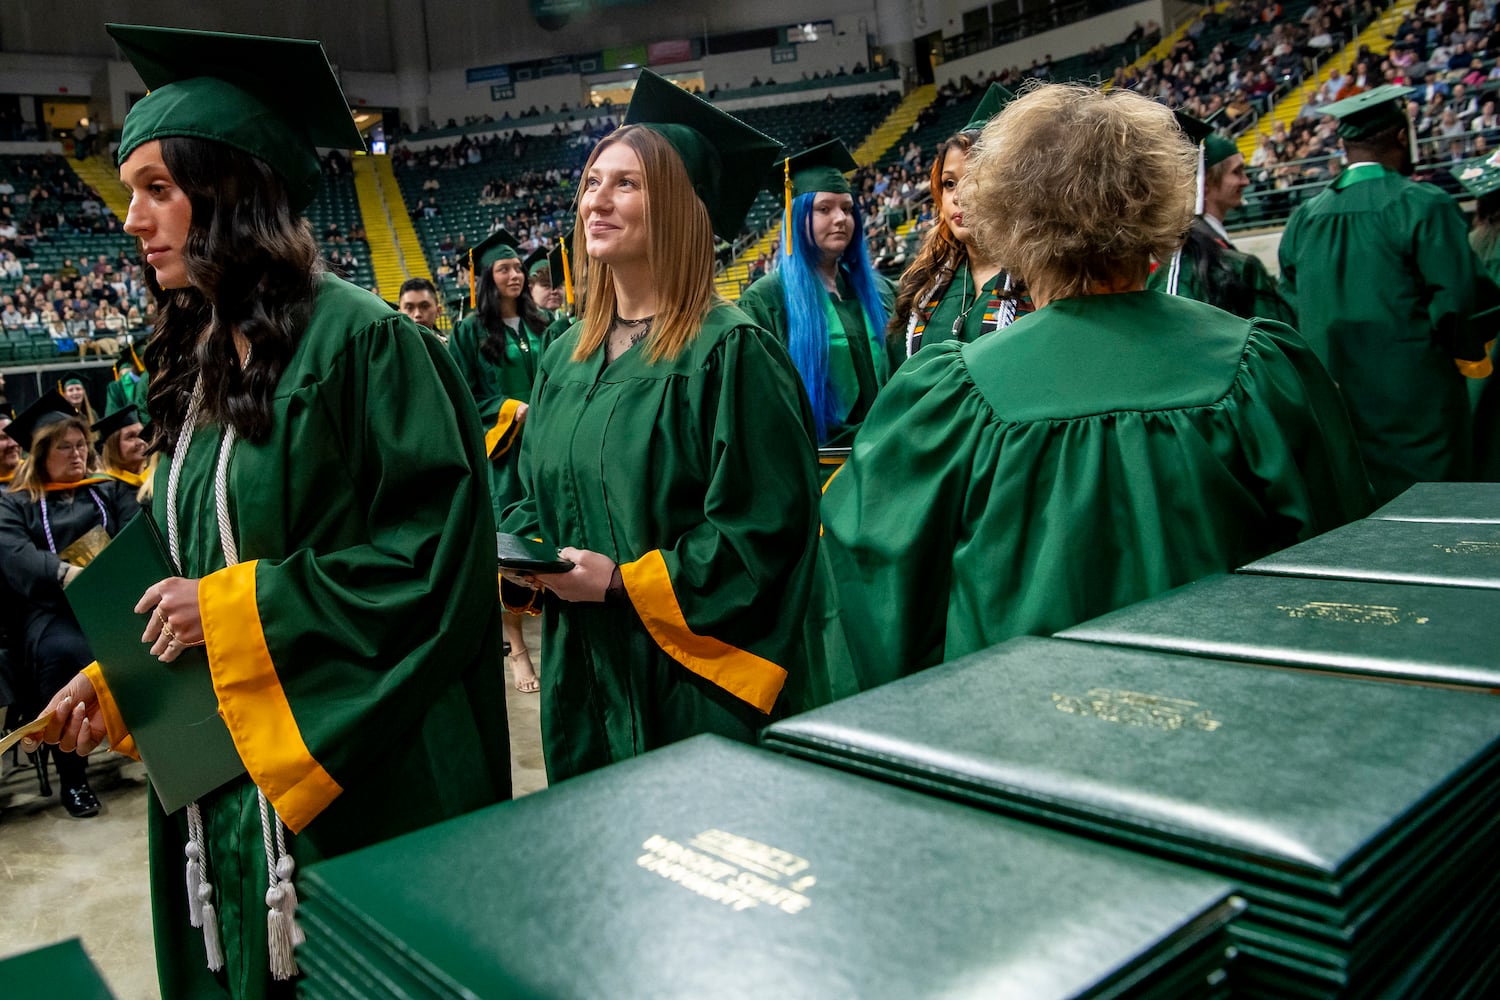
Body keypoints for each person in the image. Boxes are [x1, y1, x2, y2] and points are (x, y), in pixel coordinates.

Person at [26, 24, 511, 998]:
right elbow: (191, 567)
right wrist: (122, 679)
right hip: (220, 784)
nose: (129, 219)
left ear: (233, 192)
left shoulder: (365, 344)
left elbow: (436, 561)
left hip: (353, 782)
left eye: (156, 188)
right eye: (127, 191)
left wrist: (241, 610)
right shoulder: (200, 364)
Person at [819, 83, 1373, 688]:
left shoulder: (957, 392)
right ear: (1162, 198)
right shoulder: (1259, 367)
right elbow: (1341, 578)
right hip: (1237, 717)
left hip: (1008, 731)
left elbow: (879, 600)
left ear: (1011, 215)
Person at [499, 69, 826, 782]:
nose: (598, 201)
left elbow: (763, 534)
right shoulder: (564, 357)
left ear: (680, 207)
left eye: (627, 184)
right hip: (584, 673)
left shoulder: (730, 352)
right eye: (592, 182)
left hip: (693, 684)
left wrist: (623, 583)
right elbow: (529, 493)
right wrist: (526, 555)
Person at [1279, 85, 1497, 502]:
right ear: (1402, 136)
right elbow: (1458, 303)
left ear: (1343, 145)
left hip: (1340, 407)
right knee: (1433, 520)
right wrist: (1472, 360)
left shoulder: (1304, 218)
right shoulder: (1423, 204)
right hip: (1418, 409)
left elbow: (1289, 309)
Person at [0, 395, 141, 818]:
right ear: (41, 452)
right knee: (65, 656)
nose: (77, 453)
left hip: (110, 601)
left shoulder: (107, 488)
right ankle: (74, 778)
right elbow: (12, 552)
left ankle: (154, 749)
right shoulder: (14, 499)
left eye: (81, 444)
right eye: (65, 446)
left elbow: (134, 531)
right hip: (50, 611)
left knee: (150, 638)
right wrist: (63, 573)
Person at [737, 139, 897, 458]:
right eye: (824, 208)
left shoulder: (880, 292)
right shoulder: (766, 300)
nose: (841, 218)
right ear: (797, 218)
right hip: (815, 463)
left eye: (847, 209)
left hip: (885, 454)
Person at [447, 227, 551, 694]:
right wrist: (510, 409)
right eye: (504, 268)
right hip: (504, 455)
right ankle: (518, 650)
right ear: (486, 279)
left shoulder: (544, 324)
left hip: (546, 451)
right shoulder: (469, 333)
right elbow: (463, 399)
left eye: (518, 266)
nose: (515, 273)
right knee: (512, 549)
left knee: (550, 541)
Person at [888, 85, 1029, 361]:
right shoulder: (922, 288)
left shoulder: (1042, 282)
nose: (959, 196)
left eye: (975, 179)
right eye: (949, 183)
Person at [1148, 112, 1294, 324]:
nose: (1246, 181)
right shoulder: (1197, 260)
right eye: (1237, 172)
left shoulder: (1204, 249)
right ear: (1205, 183)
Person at [93, 403, 149, 487]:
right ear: (113, 447)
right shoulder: (104, 487)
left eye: (142, 434)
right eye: (131, 436)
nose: (140, 441)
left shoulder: (154, 478)